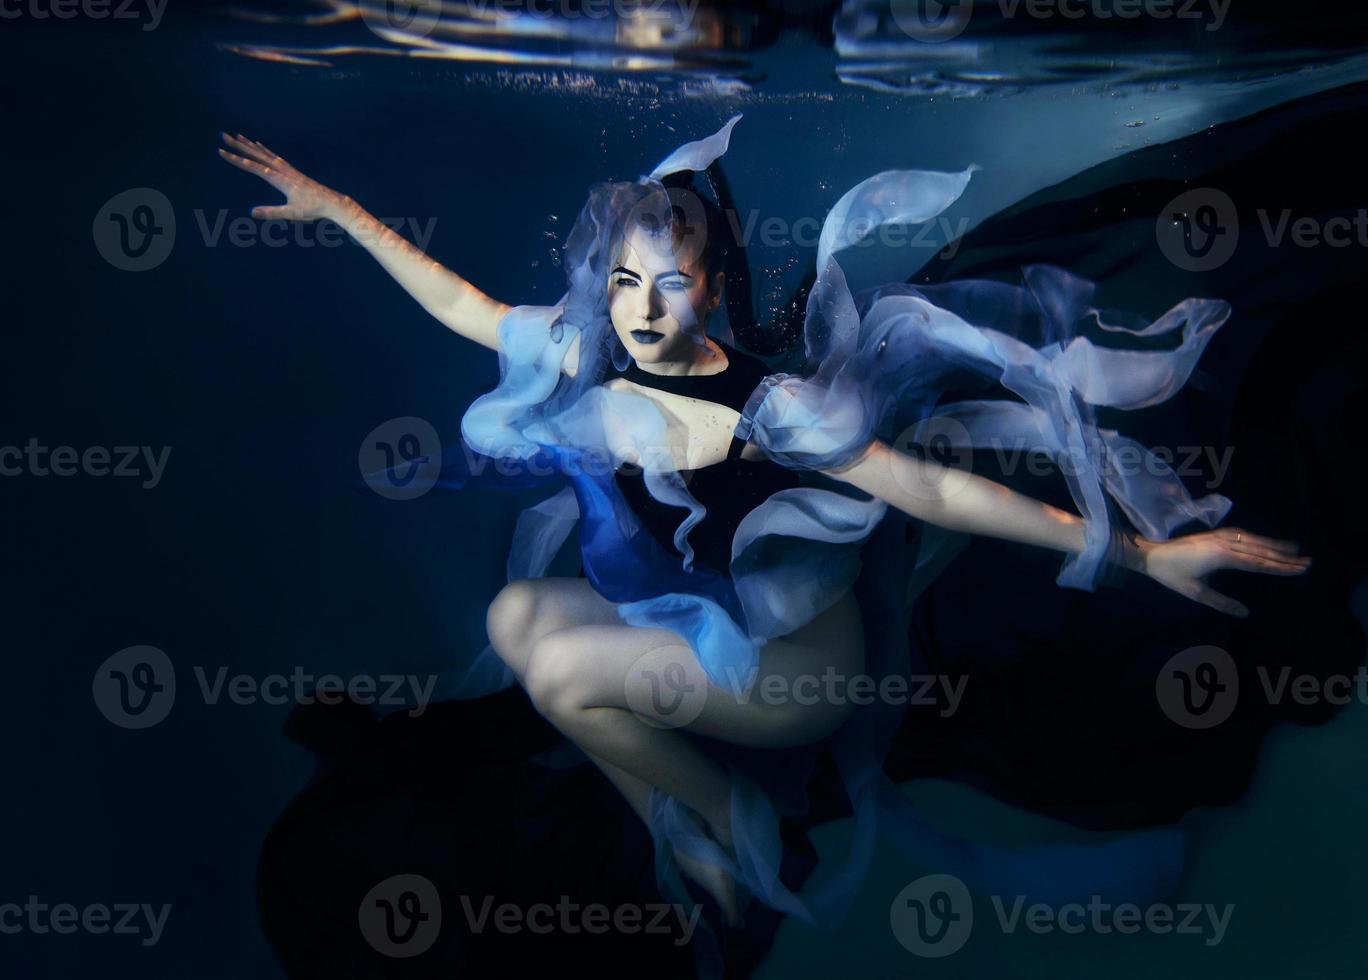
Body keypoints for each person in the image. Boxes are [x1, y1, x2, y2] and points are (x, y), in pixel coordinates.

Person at [218, 118, 1310, 966]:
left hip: (800, 672)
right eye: (624, 282)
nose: (643, 308)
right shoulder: (586, 350)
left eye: (671, 281)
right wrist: (339, 210)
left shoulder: (769, 406)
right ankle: (683, 818)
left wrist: (1138, 551)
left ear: (714, 283)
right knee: (512, 617)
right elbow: (458, 302)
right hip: (709, 635)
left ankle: (732, 814)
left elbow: (928, 487)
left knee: (554, 666)